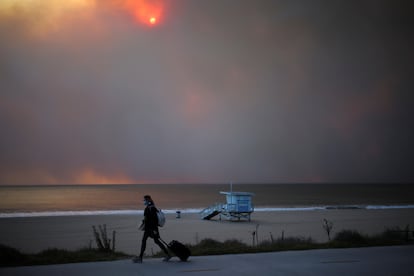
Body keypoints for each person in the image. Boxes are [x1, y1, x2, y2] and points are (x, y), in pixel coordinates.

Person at [134, 195, 171, 263]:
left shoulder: (150, 208)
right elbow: (149, 219)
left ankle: (140, 258)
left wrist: (153, 229)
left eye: (144, 200)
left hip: (151, 229)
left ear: (148, 200)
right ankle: (140, 257)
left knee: (154, 241)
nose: (144, 201)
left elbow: (153, 220)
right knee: (149, 241)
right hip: (149, 228)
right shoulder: (151, 207)